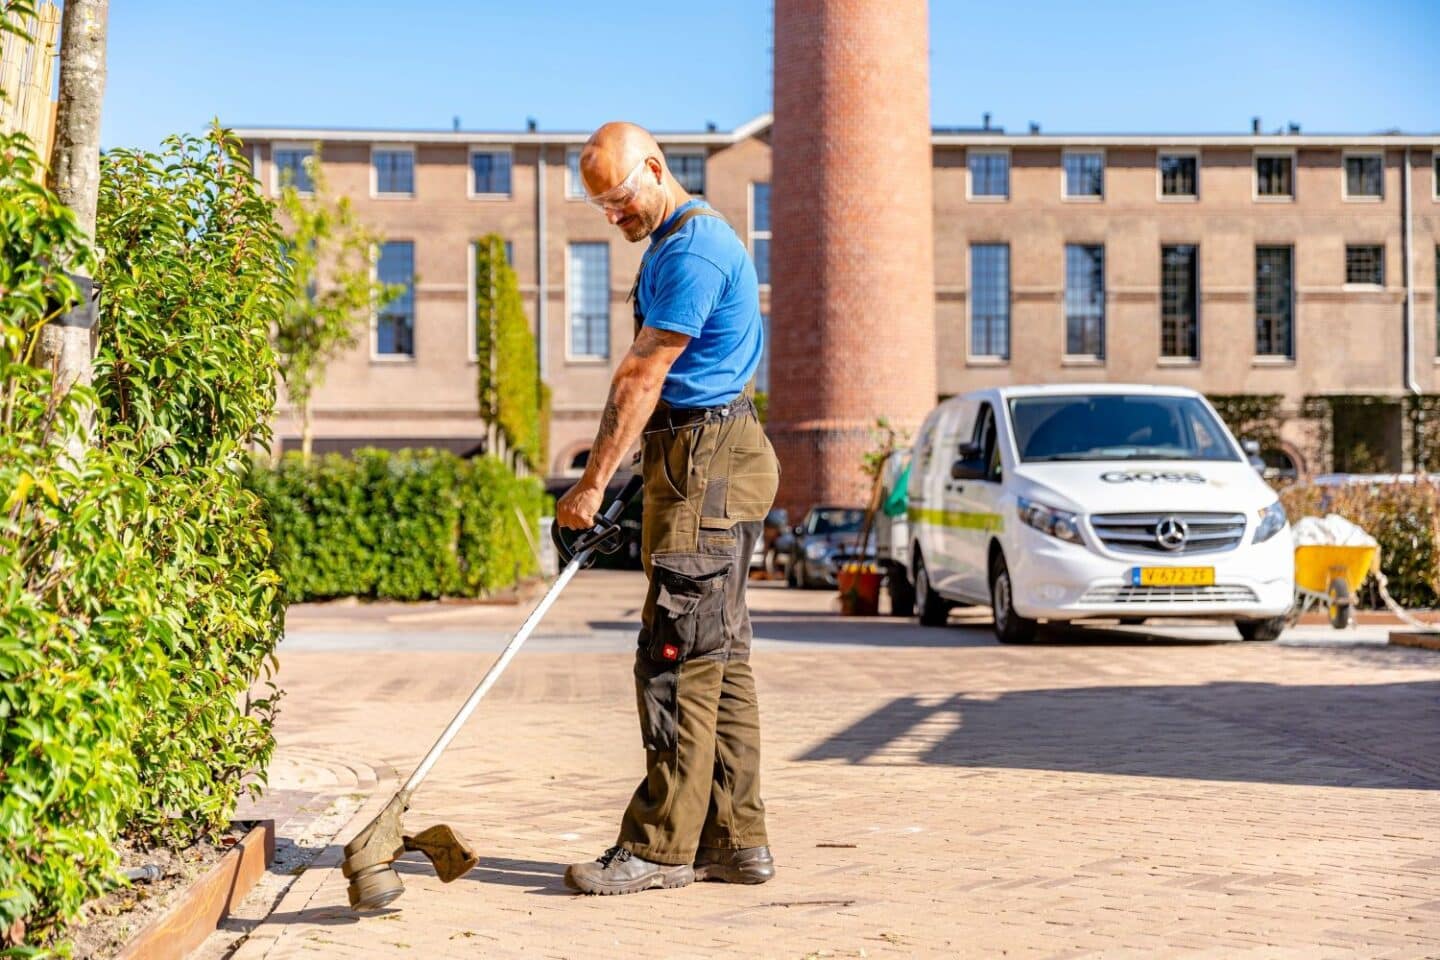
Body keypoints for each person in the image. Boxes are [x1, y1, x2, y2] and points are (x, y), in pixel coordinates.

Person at [555, 121, 780, 896]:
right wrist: (632, 482)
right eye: (600, 208)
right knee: (721, 657)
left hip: (708, 462)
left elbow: (643, 375)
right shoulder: (678, 244)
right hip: (701, 455)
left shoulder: (691, 249)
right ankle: (735, 840)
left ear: (655, 168)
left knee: (677, 657)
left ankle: (658, 849)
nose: (613, 217)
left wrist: (588, 485)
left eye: (619, 200)